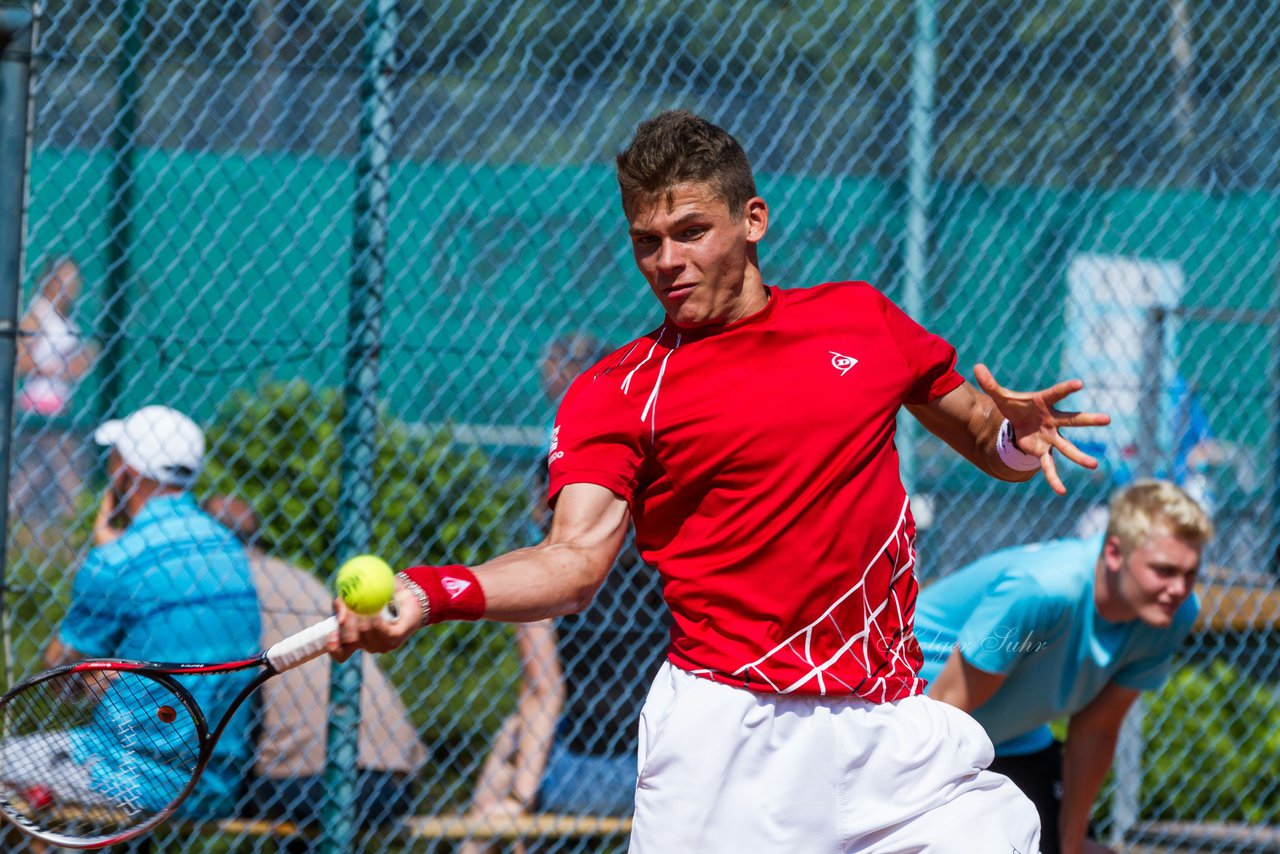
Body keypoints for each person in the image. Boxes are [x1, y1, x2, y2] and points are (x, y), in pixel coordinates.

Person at [333, 109, 1111, 852]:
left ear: (753, 221)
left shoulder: (860, 320)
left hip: (888, 723)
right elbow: (571, 563)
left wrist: (1016, 436)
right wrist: (434, 593)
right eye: (647, 241)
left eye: (691, 231)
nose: (667, 260)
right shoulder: (620, 389)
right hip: (730, 740)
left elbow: (985, 437)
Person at [914, 480, 1212, 854]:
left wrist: (1068, 847)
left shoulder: (1172, 613)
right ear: (1115, 553)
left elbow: (1096, 731)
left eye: (1190, 574)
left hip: (1015, 734)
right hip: (920, 718)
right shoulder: (1044, 590)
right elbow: (945, 708)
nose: (1179, 588)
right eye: (1164, 571)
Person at [2, 406, 261, 819]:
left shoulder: (116, 560)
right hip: (216, 782)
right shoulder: (227, 548)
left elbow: (58, 677)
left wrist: (103, 554)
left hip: (127, 775)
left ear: (126, 472)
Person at [463, 336, 669, 850]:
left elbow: (542, 694)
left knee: (513, 735)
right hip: (663, 767)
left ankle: (485, 837)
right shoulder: (668, 573)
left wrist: (521, 799)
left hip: (584, 775)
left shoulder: (539, 589)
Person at [202, 495, 426, 832]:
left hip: (305, 780)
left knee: (195, 793)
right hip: (394, 779)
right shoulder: (298, 576)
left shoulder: (221, 586)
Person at [11, 256, 97, 524]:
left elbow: (70, 368)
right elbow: (20, 361)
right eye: (62, 279)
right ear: (48, 280)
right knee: (66, 475)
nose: (68, 287)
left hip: (59, 404)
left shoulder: (65, 317)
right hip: (38, 404)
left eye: (73, 281)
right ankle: (75, 522)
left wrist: (81, 361)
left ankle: (13, 517)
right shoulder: (37, 314)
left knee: (32, 473)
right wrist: (60, 367)